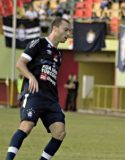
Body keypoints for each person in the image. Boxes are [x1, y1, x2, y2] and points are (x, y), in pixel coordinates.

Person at [6, 17, 71, 160]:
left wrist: (56, 102)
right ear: (55, 28)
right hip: (34, 94)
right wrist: (31, 77)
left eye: (70, 31)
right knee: (26, 126)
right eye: (65, 30)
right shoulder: (38, 43)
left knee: (59, 132)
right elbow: (20, 64)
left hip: (51, 99)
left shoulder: (58, 55)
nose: (68, 34)